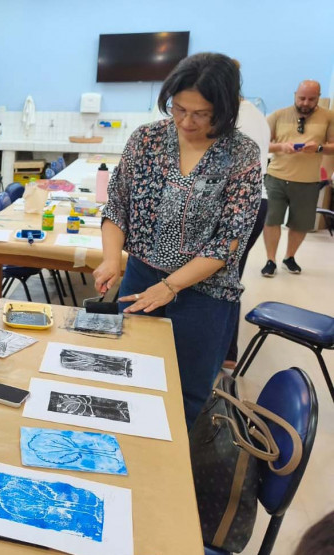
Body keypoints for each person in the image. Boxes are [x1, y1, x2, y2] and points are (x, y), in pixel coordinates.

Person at [93, 53, 262, 428]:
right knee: (128, 372)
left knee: (184, 392)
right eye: (179, 109)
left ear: (225, 109)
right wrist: (111, 259)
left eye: (201, 114)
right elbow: (118, 203)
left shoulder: (241, 154)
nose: (186, 121)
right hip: (142, 278)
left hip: (205, 291)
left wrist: (171, 286)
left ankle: (167, 458)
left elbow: (228, 240)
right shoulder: (147, 140)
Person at [221, 81, 272, 368]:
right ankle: (227, 351)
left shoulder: (235, 115)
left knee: (224, 277)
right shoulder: (256, 113)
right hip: (256, 201)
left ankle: (226, 352)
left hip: (242, 203)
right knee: (230, 275)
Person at [260, 80, 334, 276]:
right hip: (276, 177)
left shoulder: (329, 117)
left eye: (311, 99)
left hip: (308, 181)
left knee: (300, 223)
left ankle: (289, 257)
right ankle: (270, 260)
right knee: (271, 220)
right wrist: (281, 147)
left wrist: (319, 148)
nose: (305, 103)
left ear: (318, 98)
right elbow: (262, 143)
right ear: (295, 95)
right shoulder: (278, 115)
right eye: (302, 98)